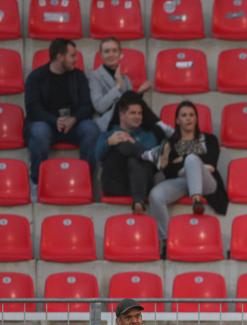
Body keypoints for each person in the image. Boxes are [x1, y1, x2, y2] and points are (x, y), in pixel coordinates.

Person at [147, 100, 229, 257]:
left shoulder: (209, 139)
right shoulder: (171, 143)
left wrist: (186, 162)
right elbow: (169, 171)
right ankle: (167, 241)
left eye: (191, 115)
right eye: (184, 115)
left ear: (196, 119)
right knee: (155, 196)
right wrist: (180, 165)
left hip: (206, 182)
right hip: (182, 181)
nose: (188, 118)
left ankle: (196, 198)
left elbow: (211, 166)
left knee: (191, 159)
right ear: (177, 120)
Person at [24, 38, 100, 198]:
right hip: (47, 124)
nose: (76, 59)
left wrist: (75, 118)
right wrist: (54, 120)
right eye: (72, 56)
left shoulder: (78, 76)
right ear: (60, 57)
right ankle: (36, 182)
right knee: (39, 131)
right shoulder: (36, 77)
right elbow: (32, 109)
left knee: (91, 129)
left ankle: (86, 180)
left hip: (73, 125)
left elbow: (87, 105)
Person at [94, 92, 157, 213]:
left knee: (134, 158)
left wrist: (131, 142)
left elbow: (151, 161)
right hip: (116, 185)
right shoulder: (108, 135)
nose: (137, 116)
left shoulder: (148, 136)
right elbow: (97, 156)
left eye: (140, 113)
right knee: (122, 146)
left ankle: (138, 200)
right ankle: (138, 201)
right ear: (122, 115)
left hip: (143, 185)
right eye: (133, 113)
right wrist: (109, 143)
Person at [88, 37, 152, 132]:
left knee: (145, 118)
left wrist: (139, 92)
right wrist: (118, 86)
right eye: (107, 51)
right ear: (101, 55)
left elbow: (130, 102)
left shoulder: (125, 77)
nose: (111, 55)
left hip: (126, 121)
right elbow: (100, 107)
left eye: (114, 51)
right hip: (109, 123)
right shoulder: (94, 76)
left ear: (120, 54)